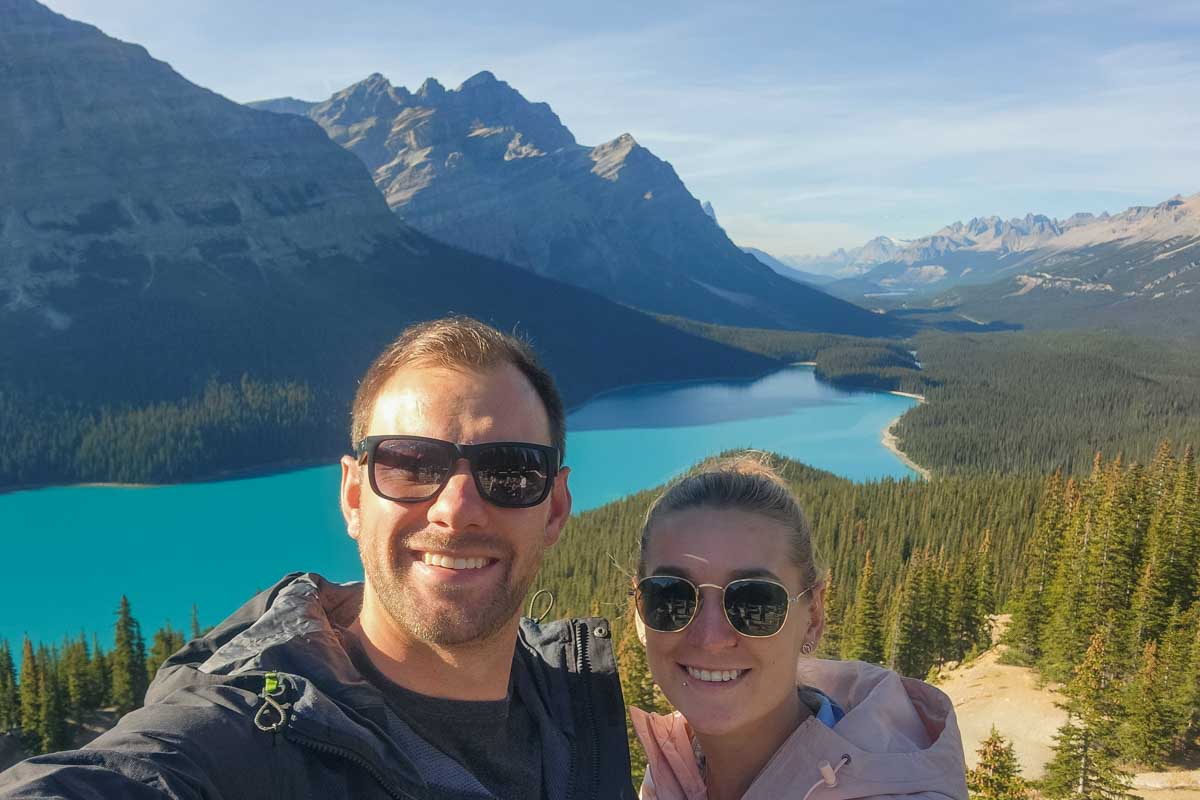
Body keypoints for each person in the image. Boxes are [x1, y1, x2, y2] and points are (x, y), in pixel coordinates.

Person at [0, 316, 636, 799]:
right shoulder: (247, 735)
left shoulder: (580, 700)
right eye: (412, 464)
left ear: (554, 509)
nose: (457, 508)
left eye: (511, 472)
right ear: (355, 496)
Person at [628, 454, 967, 800]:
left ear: (813, 618)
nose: (710, 637)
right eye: (671, 597)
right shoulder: (669, 775)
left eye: (755, 602)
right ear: (639, 612)